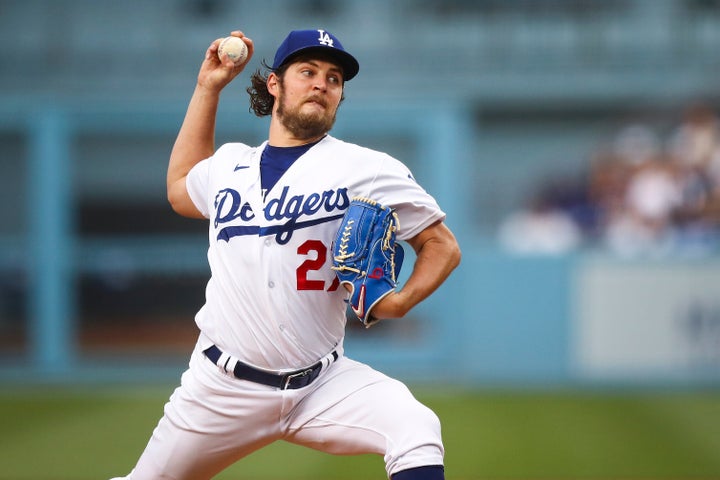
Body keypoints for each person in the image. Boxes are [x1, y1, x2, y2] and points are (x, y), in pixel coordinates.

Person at [112, 28, 461, 480]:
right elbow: (181, 189)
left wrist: (399, 301)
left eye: (334, 79)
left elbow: (441, 245)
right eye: (308, 71)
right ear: (274, 83)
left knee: (415, 427)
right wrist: (208, 87)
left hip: (322, 383)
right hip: (221, 387)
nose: (322, 83)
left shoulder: (367, 169)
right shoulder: (229, 166)